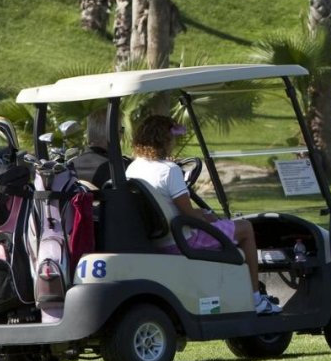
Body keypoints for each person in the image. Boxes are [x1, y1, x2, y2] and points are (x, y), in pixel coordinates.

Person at [127, 114, 280, 314]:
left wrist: (202, 214)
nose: (174, 143)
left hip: (159, 239)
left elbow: (172, 207)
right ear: (165, 140)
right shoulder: (169, 170)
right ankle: (256, 299)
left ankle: (237, 291)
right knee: (245, 229)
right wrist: (208, 217)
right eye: (172, 139)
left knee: (215, 221)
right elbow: (189, 215)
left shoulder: (133, 168)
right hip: (183, 241)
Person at [68, 108, 121, 189]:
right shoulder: (116, 167)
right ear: (111, 133)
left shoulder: (70, 166)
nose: (121, 136)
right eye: (121, 130)